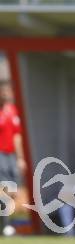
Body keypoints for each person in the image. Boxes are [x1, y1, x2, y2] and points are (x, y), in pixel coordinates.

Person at [0, 81, 26, 235]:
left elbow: (17, 136)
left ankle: (6, 223)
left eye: (7, 91)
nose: (6, 94)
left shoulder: (13, 111)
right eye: (3, 91)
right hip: (0, 154)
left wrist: (21, 158)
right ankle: (6, 225)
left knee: (13, 192)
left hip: (11, 156)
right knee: (3, 189)